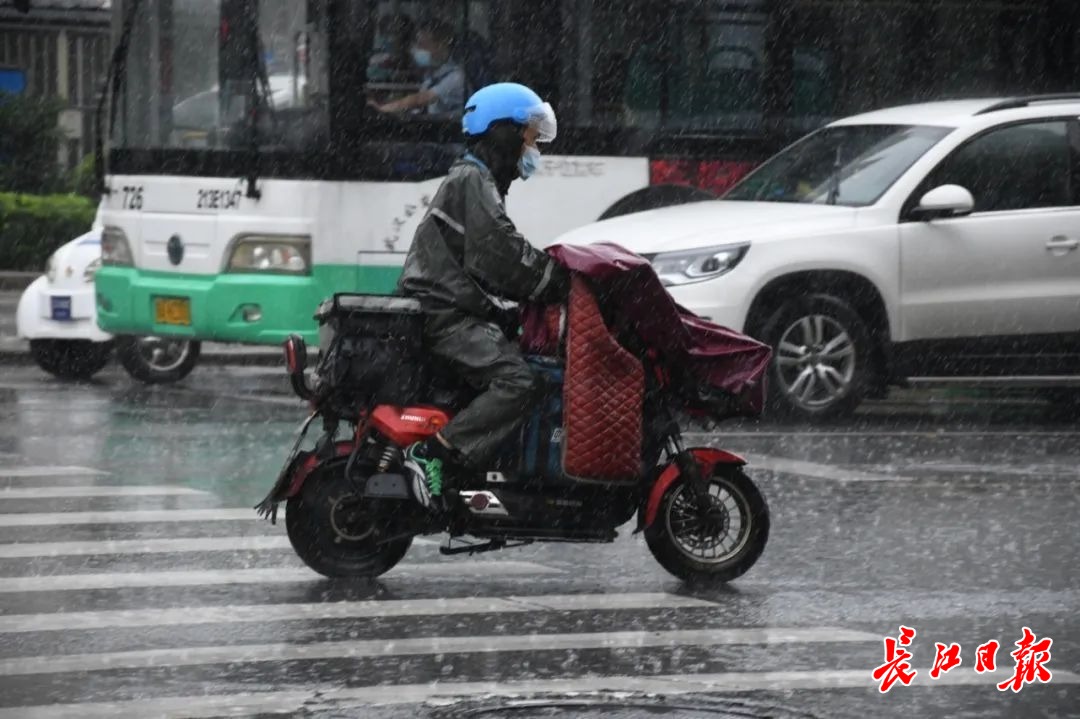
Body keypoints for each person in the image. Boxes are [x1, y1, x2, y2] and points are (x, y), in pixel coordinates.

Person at [396, 82, 569, 509]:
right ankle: (434, 452)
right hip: (446, 316)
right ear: (503, 132)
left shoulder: (477, 178)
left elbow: (491, 257)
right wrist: (557, 280)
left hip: (450, 308)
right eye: (529, 136)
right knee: (519, 382)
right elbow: (500, 252)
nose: (532, 148)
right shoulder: (472, 179)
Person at [369, 18, 464, 117]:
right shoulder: (433, 73)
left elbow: (420, 99)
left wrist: (384, 108)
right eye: (417, 44)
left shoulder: (456, 77)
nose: (417, 50)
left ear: (440, 45)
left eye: (423, 45)